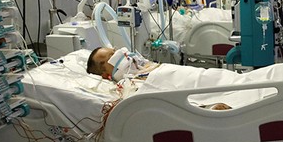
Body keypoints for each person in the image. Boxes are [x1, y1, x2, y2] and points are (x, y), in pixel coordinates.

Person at [86, 47, 232, 110]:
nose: (119, 54)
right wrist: (207, 108)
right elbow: (168, 98)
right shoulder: (128, 84)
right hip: (198, 90)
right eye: (110, 57)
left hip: (196, 76)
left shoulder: (145, 67)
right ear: (105, 75)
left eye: (114, 51)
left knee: (217, 77)